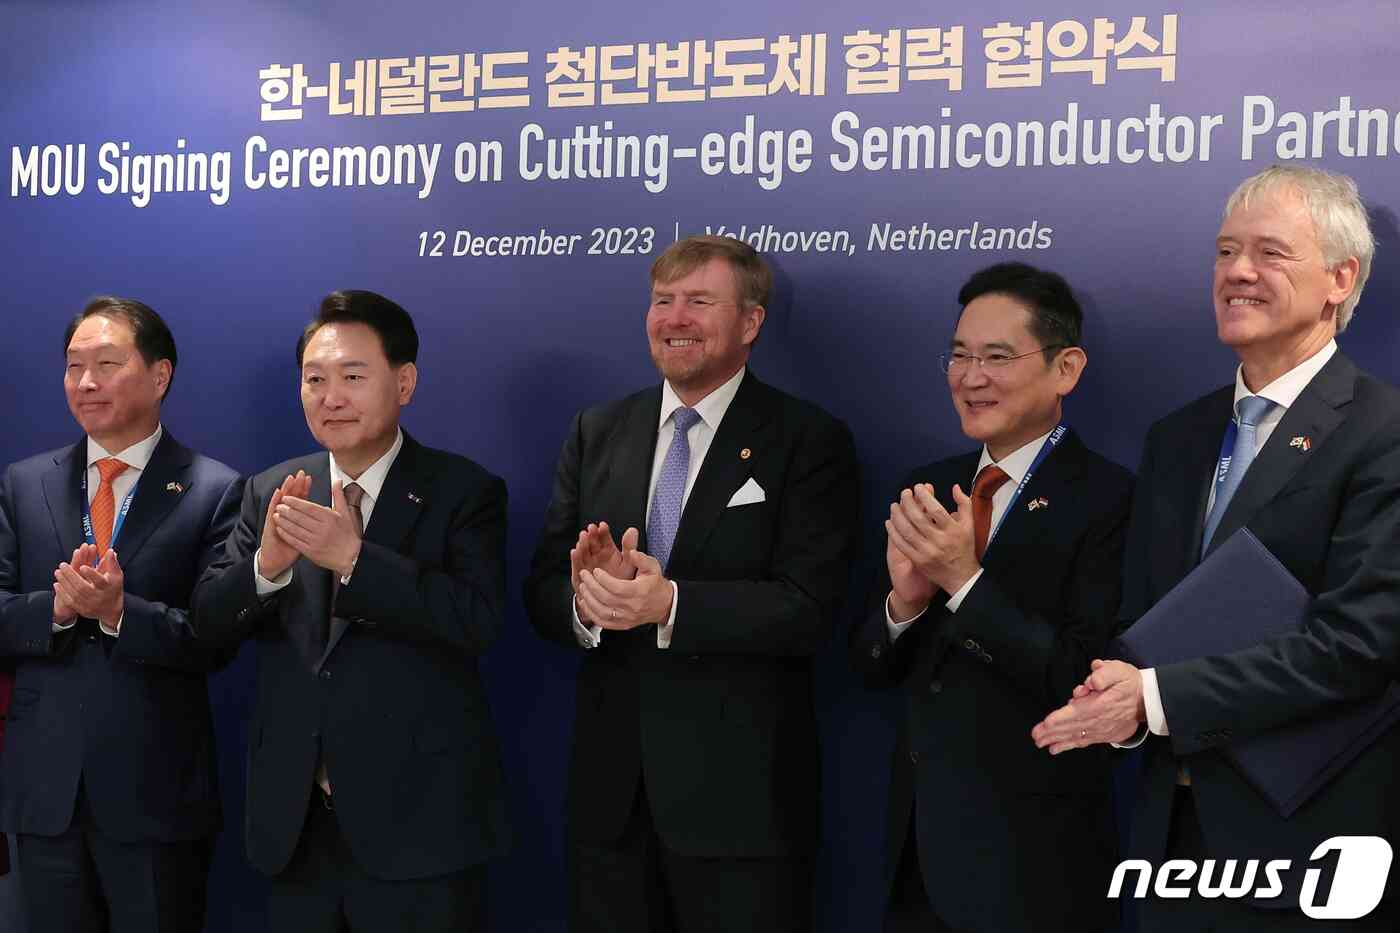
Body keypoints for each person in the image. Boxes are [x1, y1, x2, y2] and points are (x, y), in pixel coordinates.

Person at [1032, 165, 1400, 930]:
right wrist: (1122, 704)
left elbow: (1358, 645)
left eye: (1270, 252)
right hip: (1169, 838)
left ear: (1340, 279)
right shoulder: (1177, 437)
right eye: (1226, 251)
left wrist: (1156, 698)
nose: (1237, 271)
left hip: (1310, 842)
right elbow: (1144, 624)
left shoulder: (1382, 431)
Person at [523, 235, 860, 933]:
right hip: (611, 806)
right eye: (662, 300)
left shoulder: (806, 438)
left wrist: (670, 603)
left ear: (751, 322)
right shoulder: (597, 430)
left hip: (741, 807)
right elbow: (542, 590)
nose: (674, 318)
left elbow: (810, 608)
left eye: (699, 301)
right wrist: (590, 602)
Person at [192, 290, 510, 932]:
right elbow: (207, 630)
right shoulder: (271, 489)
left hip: (419, 826)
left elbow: (476, 622)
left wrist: (355, 560)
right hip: (295, 827)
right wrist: (267, 566)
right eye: (314, 379)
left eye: (352, 377)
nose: (330, 397)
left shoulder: (463, 491)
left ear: (404, 382)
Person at [851, 263, 1131, 933]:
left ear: (1066, 369)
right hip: (916, 854)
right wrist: (905, 606)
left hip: (1035, 866)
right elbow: (870, 670)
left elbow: (1086, 680)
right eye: (959, 356)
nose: (971, 377)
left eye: (997, 357)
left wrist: (965, 582)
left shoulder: (1112, 499)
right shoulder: (927, 486)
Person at [0, 296, 241, 932]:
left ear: (160, 376)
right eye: (73, 366)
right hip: (44, 796)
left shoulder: (215, 489)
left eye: (107, 364)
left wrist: (119, 614)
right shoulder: (23, 483)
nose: (85, 382)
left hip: (156, 795)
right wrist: (55, 608)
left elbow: (216, 636)